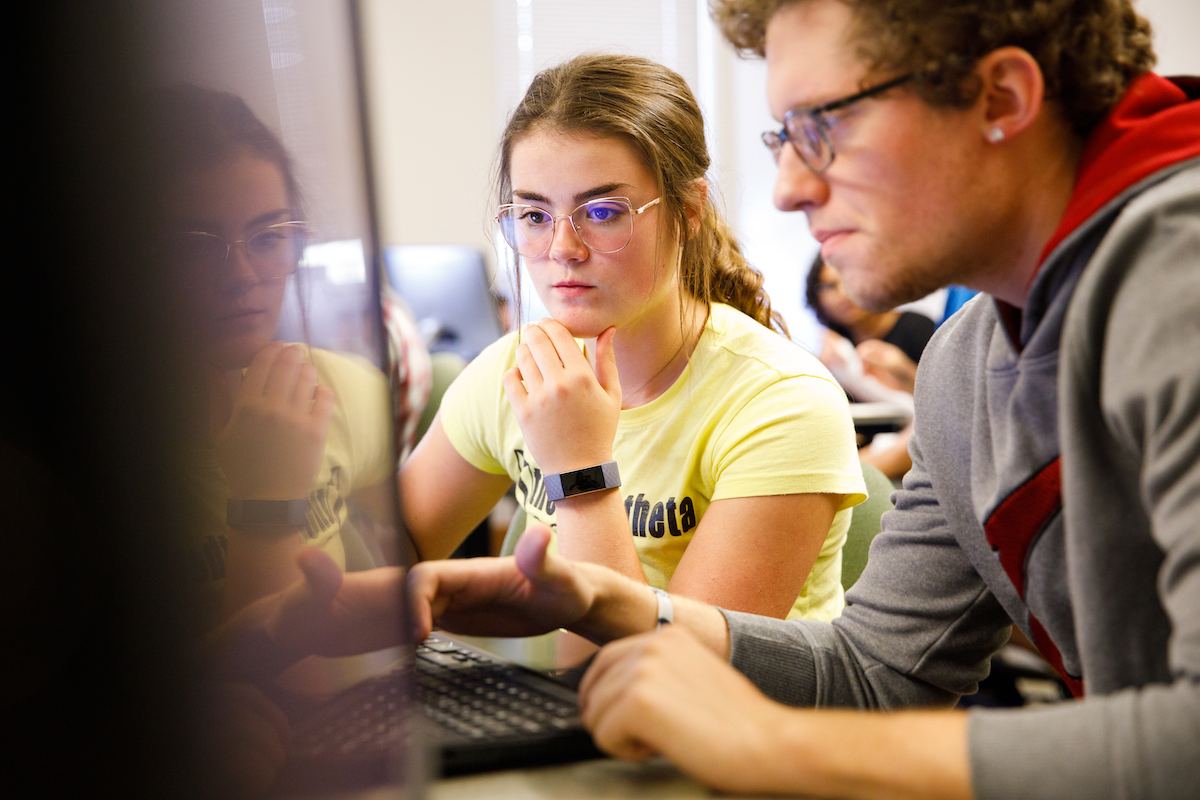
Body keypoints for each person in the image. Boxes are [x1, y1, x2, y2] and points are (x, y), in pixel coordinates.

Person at [389, 0, 1200, 797]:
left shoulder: (1178, 276)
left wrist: (771, 742)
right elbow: (880, 673)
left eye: (825, 126)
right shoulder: (969, 361)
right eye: (784, 136)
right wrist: (615, 606)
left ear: (1001, 99)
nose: (787, 189)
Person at [399, 54, 866, 621]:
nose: (562, 250)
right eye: (535, 216)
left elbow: (680, 676)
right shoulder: (519, 370)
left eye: (601, 211)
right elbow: (391, 556)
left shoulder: (784, 403)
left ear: (689, 211)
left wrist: (580, 472)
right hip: (562, 698)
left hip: (715, 707)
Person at [158, 86, 398, 624]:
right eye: (196, 245)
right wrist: (265, 503)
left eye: (268, 238)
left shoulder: (343, 390)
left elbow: (409, 551)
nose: (241, 278)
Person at [807, 253, 933, 479]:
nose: (842, 294)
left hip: (910, 448)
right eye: (829, 286)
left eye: (848, 280)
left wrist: (903, 371)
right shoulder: (832, 350)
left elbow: (943, 402)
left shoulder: (916, 327)